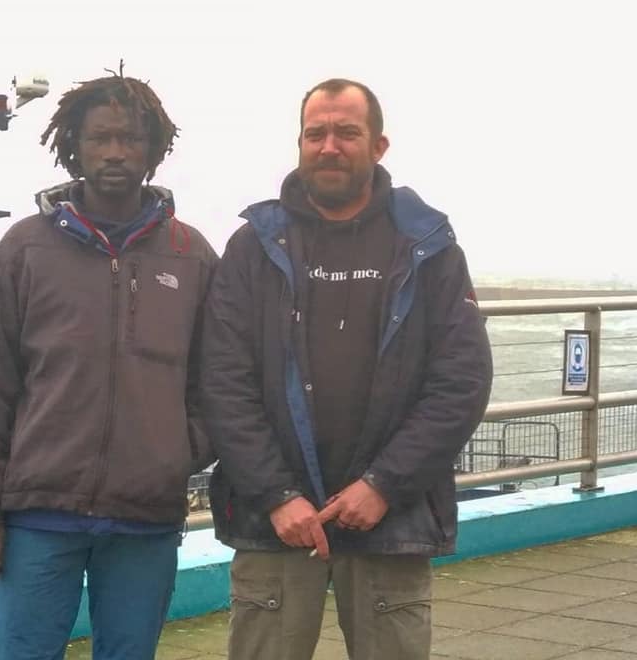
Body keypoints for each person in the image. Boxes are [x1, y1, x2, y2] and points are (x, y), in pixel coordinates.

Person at [201, 78, 493, 660]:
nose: (329, 146)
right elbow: (222, 379)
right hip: (275, 522)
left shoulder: (429, 246)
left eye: (346, 132)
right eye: (316, 133)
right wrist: (276, 494)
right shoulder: (252, 247)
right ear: (300, 143)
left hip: (391, 519)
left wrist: (384, 484)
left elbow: (461, 380)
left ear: (379, 146)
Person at [0, 68, 217, 660]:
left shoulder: (192, 255)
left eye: (130, 138)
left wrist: (179, 448)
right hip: (37, 517)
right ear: (73, 145)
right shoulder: (24, 250)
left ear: (155, 150)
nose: (116, 152)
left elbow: (217, 380)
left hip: (145, 519)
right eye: (100, 138)